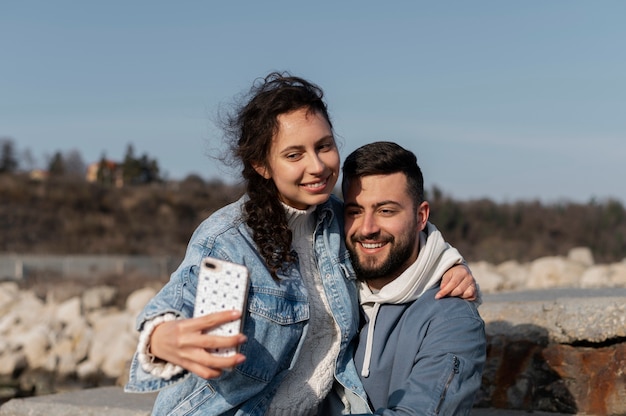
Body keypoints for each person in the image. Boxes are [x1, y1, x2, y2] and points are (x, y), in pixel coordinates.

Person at [125, 73, 477, 416]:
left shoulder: (340, 220)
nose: (317, 165)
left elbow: (398, 228)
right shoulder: (229, 240)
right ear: (262, 165)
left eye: (324, 146)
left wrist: (449, 263)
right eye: (294, 155)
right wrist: (160, 340)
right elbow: (176, 304)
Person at [340, 141, 486, 415]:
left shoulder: (451, 318)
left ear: (421, 217)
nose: (367, 228)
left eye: (386, 211)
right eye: (355, 212)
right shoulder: (328, 286)